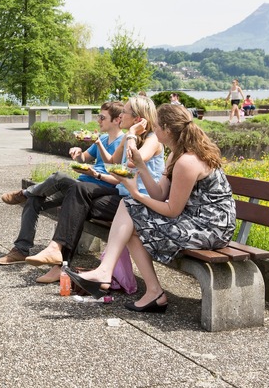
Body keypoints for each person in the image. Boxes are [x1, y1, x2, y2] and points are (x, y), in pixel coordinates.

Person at [64, 105, 236, 312]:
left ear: (167, 130)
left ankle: (110, 273)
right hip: (192, 220)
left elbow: (172, 210)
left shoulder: (188, 161)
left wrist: (136, 193)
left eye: (156, 127)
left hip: (210, 229)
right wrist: (142, 167)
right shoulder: (175, 156)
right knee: (130, 213)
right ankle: (148, 289)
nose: (153, 130)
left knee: (131, 207)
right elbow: (159, 195)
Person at [24, 95, 165, 284]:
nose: (121, 115)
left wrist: (130, 134)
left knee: (76, 203)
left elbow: (134, 161)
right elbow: (113, 161)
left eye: (124, 111)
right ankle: (57, 255)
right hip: (124, 198)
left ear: (138, 119)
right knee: (78, 195)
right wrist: (100, 144)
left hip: (141, 203)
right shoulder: (129, 137)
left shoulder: (152, 139)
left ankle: (60, 261)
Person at [0, 101, 125, 275]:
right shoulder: (102, 139)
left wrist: (96, 174)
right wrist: (77, 153)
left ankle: (25, 193)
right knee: (35, 200)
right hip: (80, 187)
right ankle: (21, 249)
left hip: (96, 189)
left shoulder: (122, 143)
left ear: (117, 120)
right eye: (98, 116)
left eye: (103, 117)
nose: (98, 120)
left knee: (58, 177)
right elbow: (83, 160)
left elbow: (119, 178)